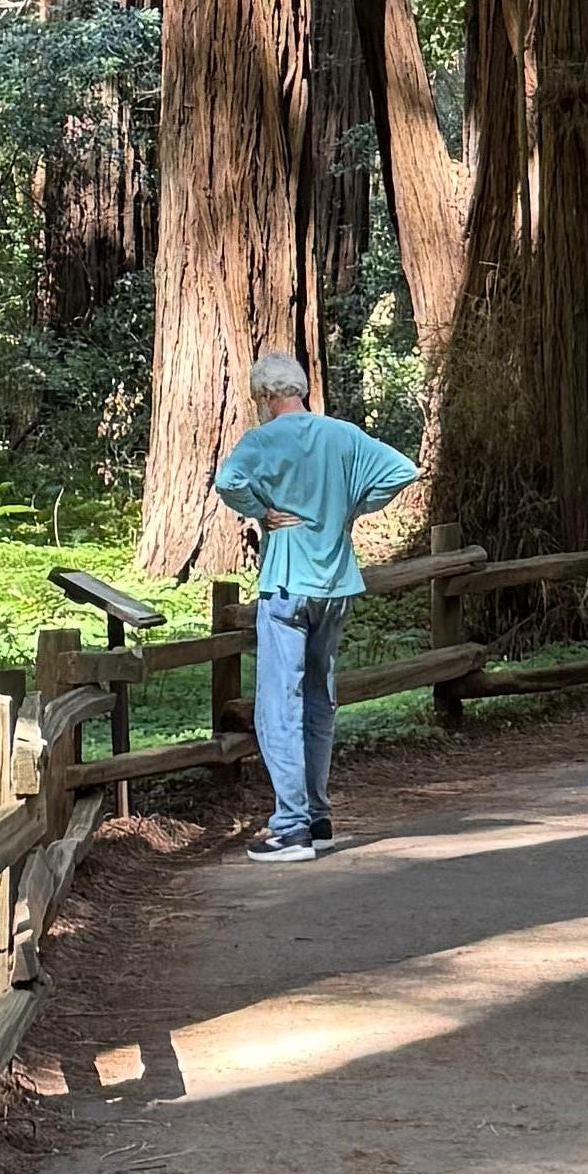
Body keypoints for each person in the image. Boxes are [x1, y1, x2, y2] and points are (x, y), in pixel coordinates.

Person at [204, 352, 417, 856]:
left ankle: (292, 826)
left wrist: (263, 510)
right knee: (320, 699)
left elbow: (228, 483)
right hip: (336, 585)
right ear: (300, 389)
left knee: (279, 704)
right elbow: (401, 470)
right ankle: (318, 817)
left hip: (286, 583)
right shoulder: (342, 435)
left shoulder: (262, 440)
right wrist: (350, 508)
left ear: (264, 397)